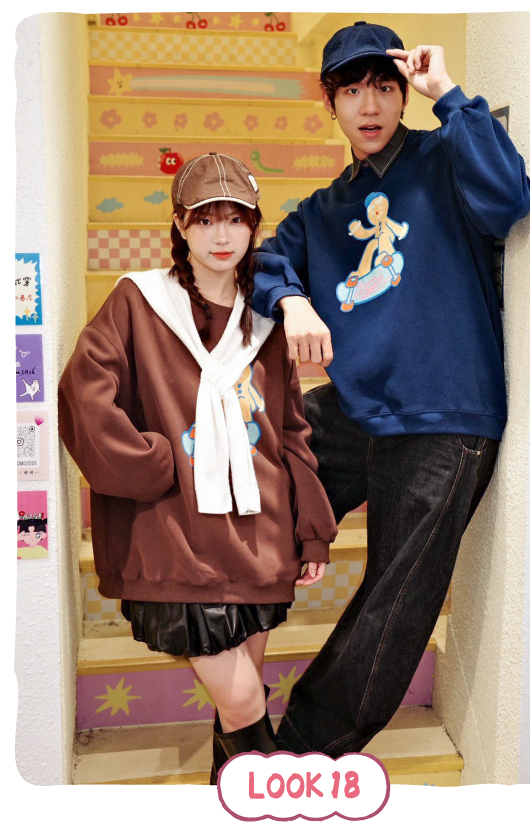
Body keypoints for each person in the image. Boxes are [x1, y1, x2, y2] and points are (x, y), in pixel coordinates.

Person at [251, 22, 530, 757]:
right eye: (352, 91)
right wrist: (292, 300)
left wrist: (449, 95)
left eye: (384, 86)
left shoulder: (444, 156)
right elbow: (260, 264)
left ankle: (300, 758)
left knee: (393, 602)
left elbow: (509, 199)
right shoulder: (322, 210)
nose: (370, 105)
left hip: (445, 416)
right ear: (330, 103)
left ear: (402, 93)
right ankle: (238, 697)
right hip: (357, 410)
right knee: (245, 476)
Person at [58, 153, 338, 782]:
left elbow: (290, 429)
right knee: (243, 703)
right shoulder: (139, 301)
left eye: (235, 219)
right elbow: (82, 395)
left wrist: (313, 528)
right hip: (176, 539)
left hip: (259, 538)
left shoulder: (266, 319)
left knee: (238, 708)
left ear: (254, 227)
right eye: (205, 219)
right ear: (181, 225)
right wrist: (150, 464)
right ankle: (273, 803)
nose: (221, 235)